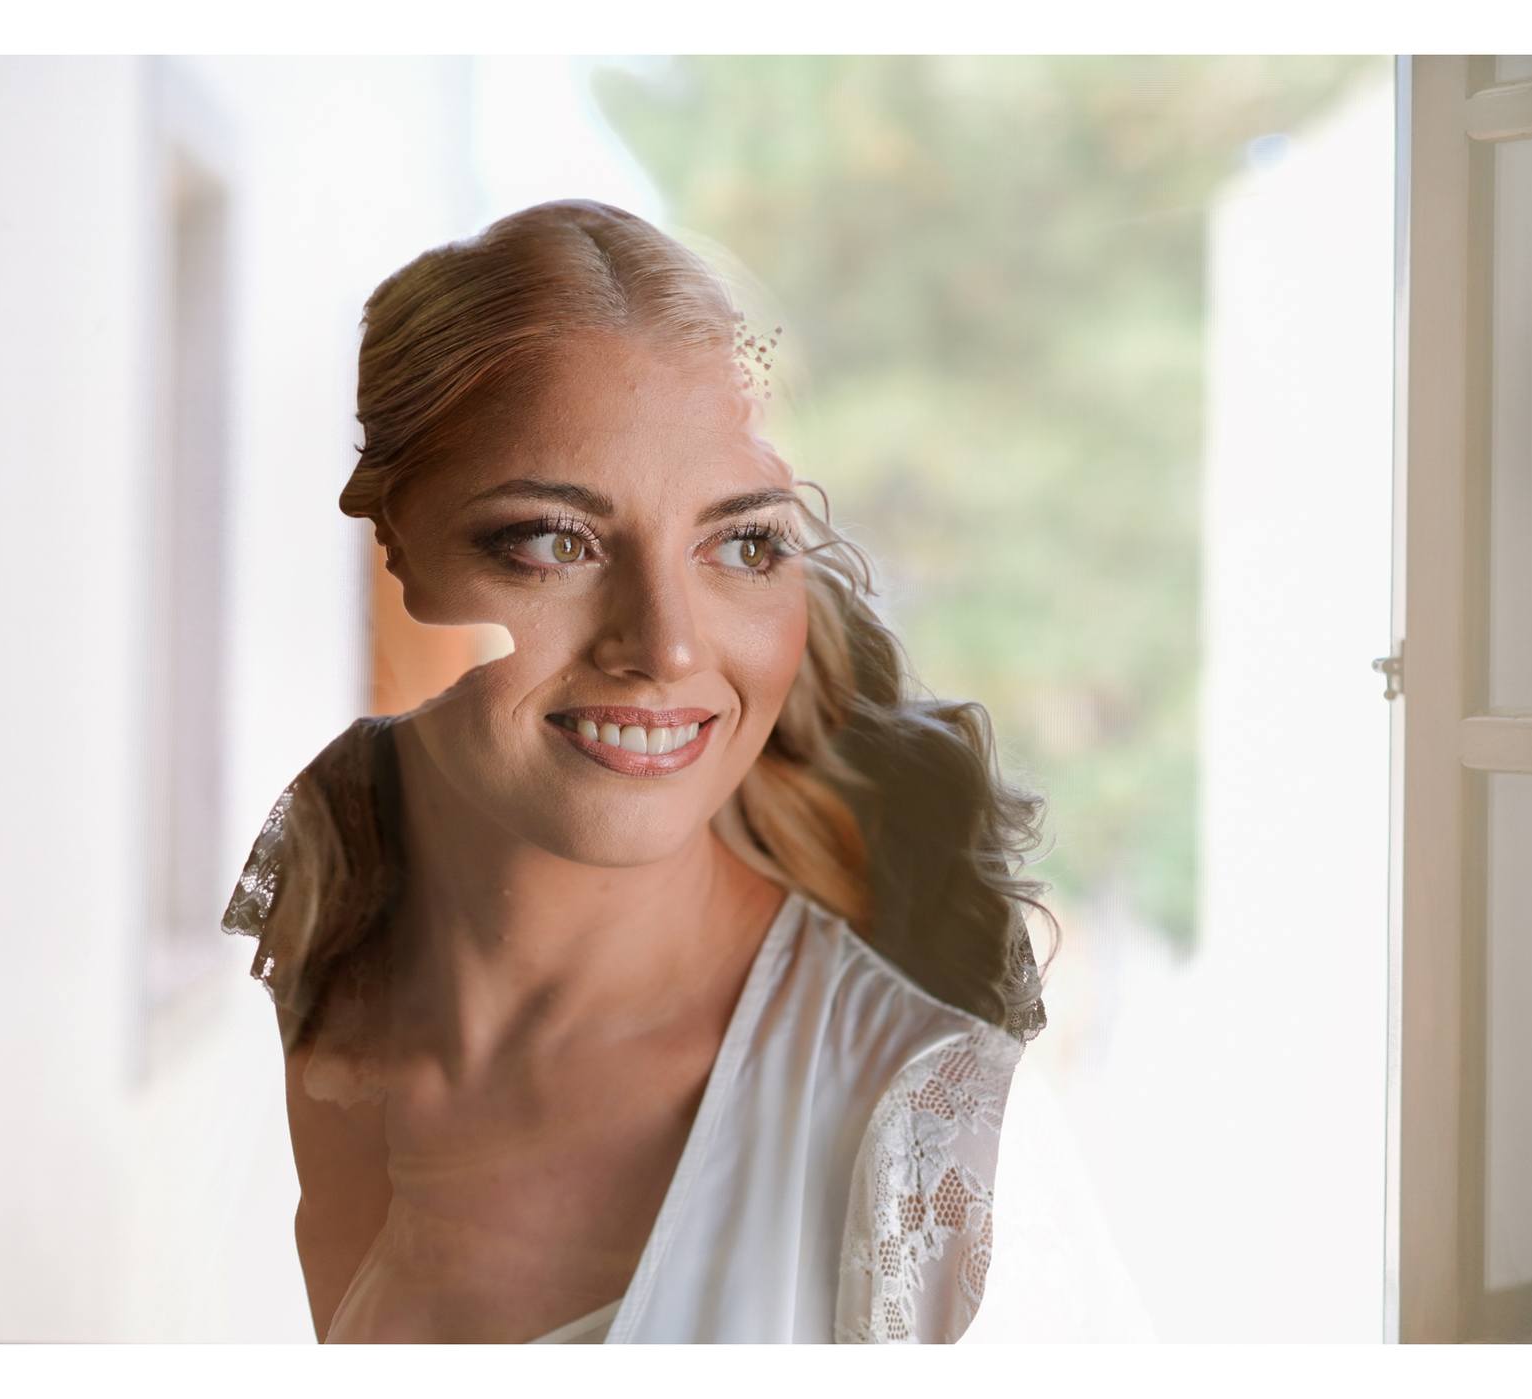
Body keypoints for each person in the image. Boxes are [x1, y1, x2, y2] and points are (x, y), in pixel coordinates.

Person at [222, 199, 1056, 1343]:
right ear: (389, 547)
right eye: (551, 541)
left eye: (741, 543)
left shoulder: (914, 1120)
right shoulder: (333, 951)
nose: (662, 647)